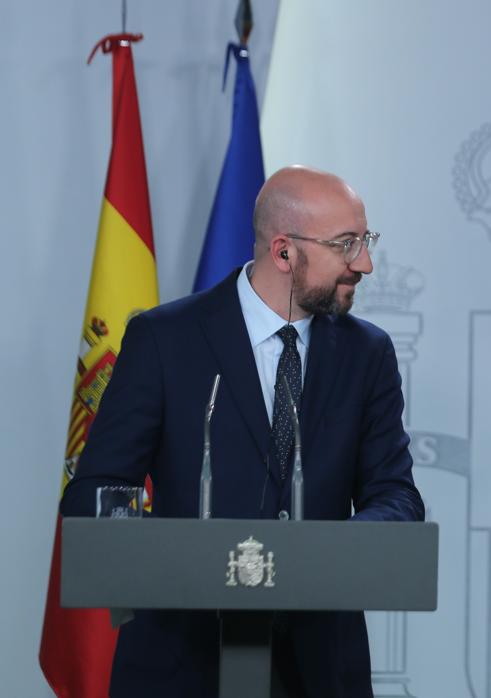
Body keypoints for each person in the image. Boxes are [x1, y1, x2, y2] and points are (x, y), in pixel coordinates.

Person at [61, 165, 425, 697]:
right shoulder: (165, 339)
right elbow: (94, 491)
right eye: (346, 245)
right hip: (180, 664)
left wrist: (328, 552)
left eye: (364, 241)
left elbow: (395, 494)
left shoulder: (366, 353)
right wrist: (163, 552)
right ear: (283, 252)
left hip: (320, 667)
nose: (365, 264)